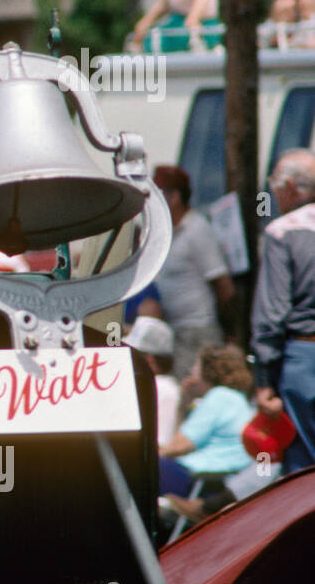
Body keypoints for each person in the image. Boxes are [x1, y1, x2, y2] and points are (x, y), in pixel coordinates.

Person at [251, 148, 315, 473]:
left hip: (304, 359)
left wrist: (264, 380)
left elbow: (272, 314)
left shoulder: (281, 232)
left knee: (304, 475)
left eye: (274, 184)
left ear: (288, 186)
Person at [150, 165, 233, 380]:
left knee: (191, 391)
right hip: (177, 330)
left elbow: (223, 285)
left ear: (174, 197)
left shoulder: (197, 229)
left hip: (198, 331)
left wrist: (230, 332)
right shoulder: (169, 232)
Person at [158, 344, 254, 496]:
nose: (192, 372)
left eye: (196, 366)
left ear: (207, 371)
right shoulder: (236, 398)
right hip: (222, 477)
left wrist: (151, 454)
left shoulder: (218, 397)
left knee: (144, 466)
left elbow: (179, 447)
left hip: (204, 480)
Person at [125, 315, 180, 447]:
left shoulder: (162, 387)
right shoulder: (156, 385)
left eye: (131, 354)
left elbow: (160, 442)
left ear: (149, 360)